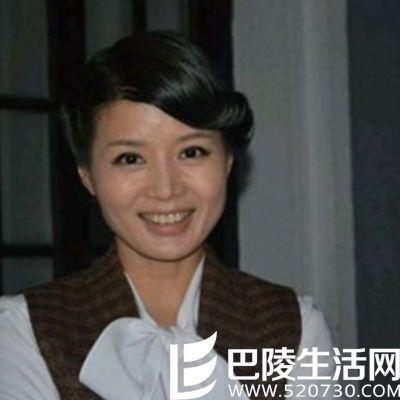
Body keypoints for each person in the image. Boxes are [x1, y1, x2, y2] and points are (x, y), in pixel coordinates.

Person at [0, 31, 337, 399]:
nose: (165, 189)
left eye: (191, 152)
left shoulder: (292, 326)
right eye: (130, 158)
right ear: (88, 176)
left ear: (227, 163)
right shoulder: (26, 330)